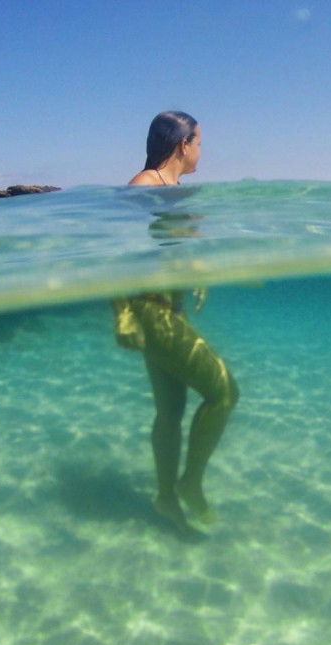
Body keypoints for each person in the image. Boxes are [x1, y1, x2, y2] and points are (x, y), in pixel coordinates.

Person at [113, 111, 239, 533]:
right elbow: (111, 254)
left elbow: (180, 246)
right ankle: (189, 484)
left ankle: (166, 499)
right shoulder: (144, 185)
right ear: (182, 144)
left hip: (170, 310)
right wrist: (124, 313)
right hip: (150, 310)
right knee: (223, 393)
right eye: (200, 141)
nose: (203, 150)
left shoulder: (177, 190)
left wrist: (198, 272)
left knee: (171, 411)